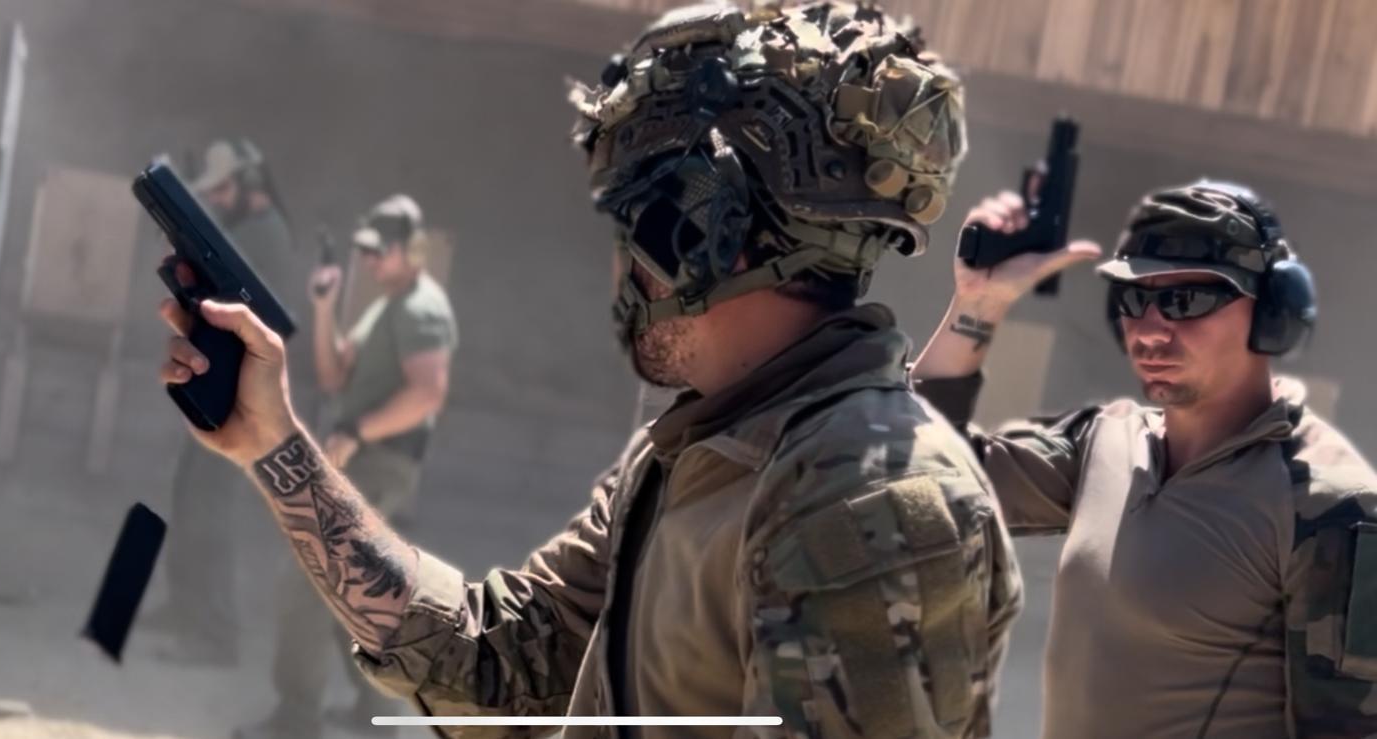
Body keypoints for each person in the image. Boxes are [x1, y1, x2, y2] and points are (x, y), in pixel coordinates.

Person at [159, 3, 1021, 737]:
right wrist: (272, 442)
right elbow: (494, 660)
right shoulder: (689, 453)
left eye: (638, 218)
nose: (618, 262)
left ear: (703, 231)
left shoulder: (869, 502)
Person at [912, 181, 1377, 738]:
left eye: (1186, 302)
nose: (1151, 331)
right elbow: (920, 482)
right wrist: (977, 306)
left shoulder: (1327, 503)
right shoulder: (1104, 442)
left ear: (1272, 312)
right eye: (1134, 300)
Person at [237, 194, 458, 739]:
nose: (371, 261)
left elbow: (427, 393)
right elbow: (334, 375)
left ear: (411, 251)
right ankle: (373, 713)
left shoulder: (421, 309)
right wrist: (324, 307)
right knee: (354, 586)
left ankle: (297, 718)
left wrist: (357, 433)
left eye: (381, 251)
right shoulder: (388, 306)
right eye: (367, 251)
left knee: (309, 579)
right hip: (365, 462)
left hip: (380, 463)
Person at [140, 137, 301, 666]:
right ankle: (188, 606)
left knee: (210, 510)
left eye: (224, 188)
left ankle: (215, 634)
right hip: (227, 389)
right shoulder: (252, 230)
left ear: (250, 184)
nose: (217, 199)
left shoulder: (262, 233)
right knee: (190, 495)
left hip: (241, 395)